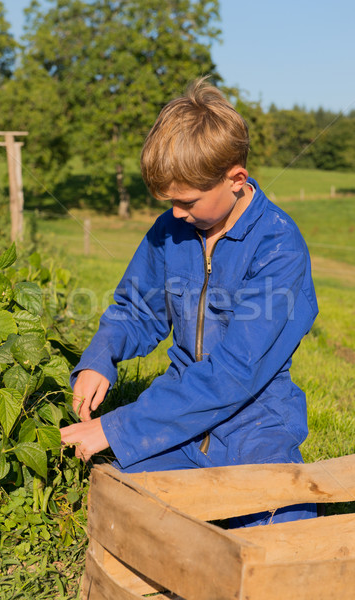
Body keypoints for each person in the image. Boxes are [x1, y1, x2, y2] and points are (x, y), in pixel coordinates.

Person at [60, 78, 318, 527]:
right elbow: (137, 308)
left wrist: (114, 427)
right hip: (175, 409)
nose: (176, 213)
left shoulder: (279, 248)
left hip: (256, 419)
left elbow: (236, 374)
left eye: (187, 201)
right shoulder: (171, 230)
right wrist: (100, 358)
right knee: (123, 506)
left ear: (235, 179)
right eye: (169, 201)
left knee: (278, 528)